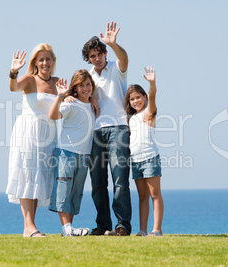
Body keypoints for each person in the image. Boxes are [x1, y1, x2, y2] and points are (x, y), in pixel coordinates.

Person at [82, 21, 132, 236]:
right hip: (96, 132)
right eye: (92, 56)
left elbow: (124, 58)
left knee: (120, 179)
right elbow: (78, 93)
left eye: (99, 54)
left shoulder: (115, 68)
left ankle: (123, 225)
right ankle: (103, 224)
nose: (96, 58)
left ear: (104, 53)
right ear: (89, 59)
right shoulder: (87, 76)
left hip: (119, 129)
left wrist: (113, 44)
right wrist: (90, 95)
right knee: (98, 182)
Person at [5, 43, 59, 237]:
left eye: (48, 59)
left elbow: (72, 102)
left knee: (37, 177)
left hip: (48, 134)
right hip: (28, 132)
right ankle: (29, 227)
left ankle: (31, 226)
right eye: (41, 59)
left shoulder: (58, 82)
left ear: (53, 61)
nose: (45, 63)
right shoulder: (28, 79)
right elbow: (14, 88)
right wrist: (13, 72)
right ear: (35, 62)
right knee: (27, 175)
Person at [48, 70, 96, 237]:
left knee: (76, 192)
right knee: (63, 190)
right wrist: (60, 96)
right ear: (75, 87)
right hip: (66, 153)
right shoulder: (70, 103)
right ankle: (67, 228)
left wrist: (94, 99)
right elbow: (53, 115)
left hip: (84, 155)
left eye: (88, 84)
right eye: (81, 85)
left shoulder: (94, 105)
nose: (85, 88)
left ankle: (68, 229)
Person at [125, 67, 164, 237]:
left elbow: (153, 96)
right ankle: (142, 230)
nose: (135, 101)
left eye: (138, 97)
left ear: (145, 98)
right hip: (135, 160)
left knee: (155, 195)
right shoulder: (131, 118)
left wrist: (152, 84)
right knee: (142, 197)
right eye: (132, 99)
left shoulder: (149, 113)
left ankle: (157, 229)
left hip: (150, 158)